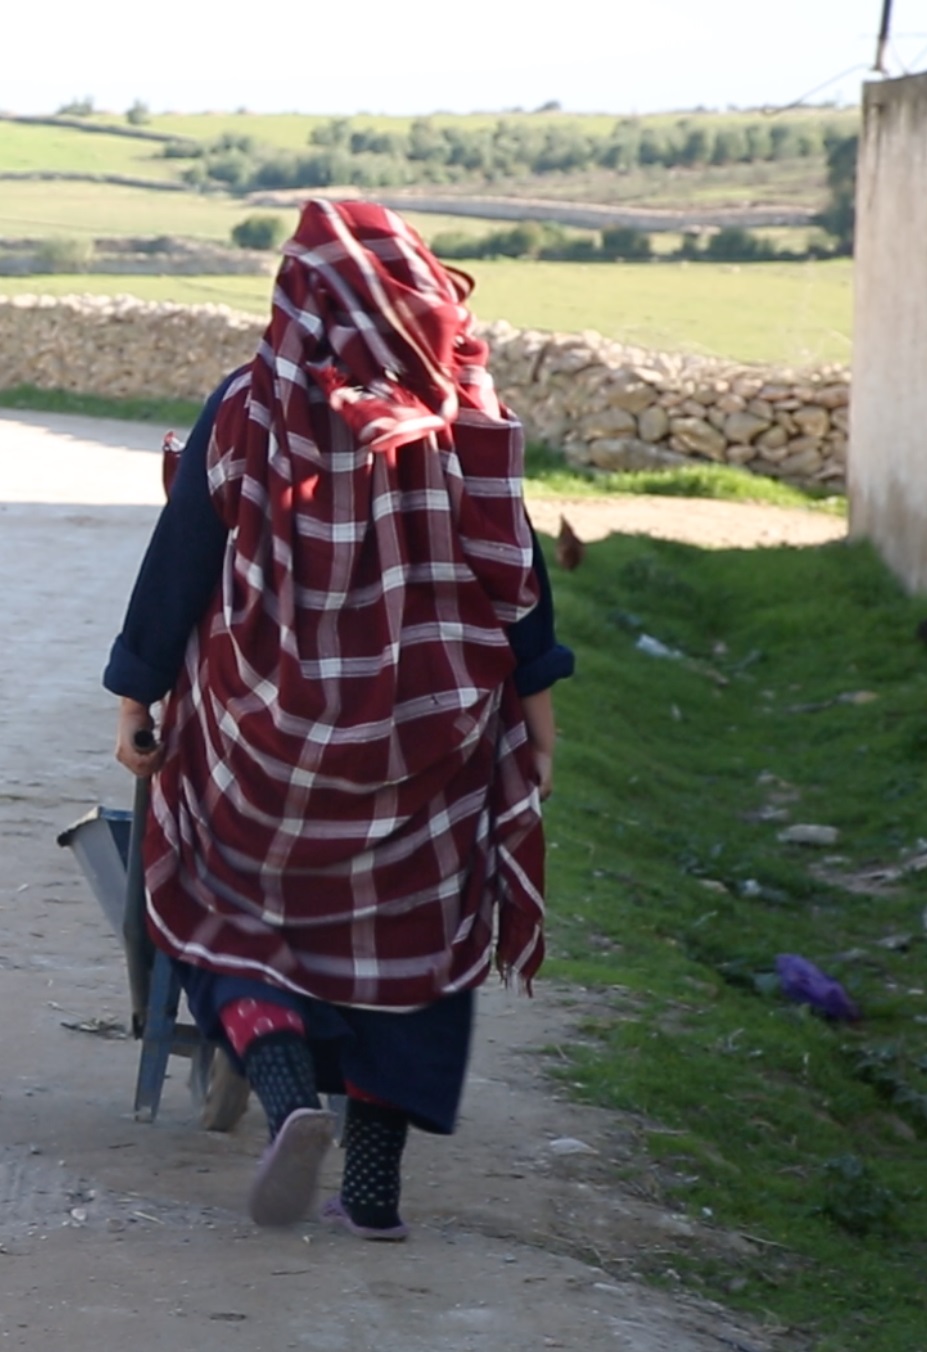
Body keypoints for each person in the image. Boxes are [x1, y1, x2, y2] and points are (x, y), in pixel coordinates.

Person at [104, 200, 572, 1240]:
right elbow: (518, 576)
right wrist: (533, 709)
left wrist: (137, 695)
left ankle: (286, 1094)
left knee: (227, 900)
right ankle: (372, 1186)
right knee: (408, 941)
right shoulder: (460, 417)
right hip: (425, 750)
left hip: (260, 748)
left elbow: (179, 563)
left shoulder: (245, 409)